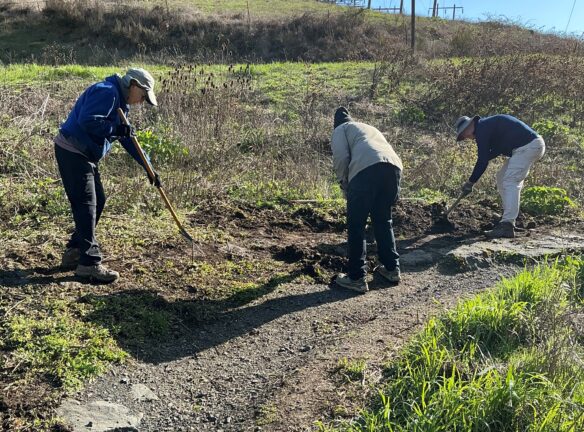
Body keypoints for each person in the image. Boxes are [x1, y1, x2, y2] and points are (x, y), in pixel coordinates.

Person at [54, 68, 161, 283]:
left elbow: (129, 140)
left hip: (84, 154)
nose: (141, 102)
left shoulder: (121, 103)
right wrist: (116, 129)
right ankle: (89, 264)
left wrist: (148, 168)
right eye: (142, 96)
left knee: (97, 201)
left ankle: (75, 250)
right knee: (87, 204)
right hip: (73, 151)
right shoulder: (107, 92)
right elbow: (89, 121)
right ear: (133, 85)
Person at [330, 107, 403, 294]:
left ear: (336, 123)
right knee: (383, 220)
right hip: (393, 169)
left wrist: (344, 183)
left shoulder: (341, 130)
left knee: (356, 225)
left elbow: (340, 158)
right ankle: (391, 268)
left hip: (366, 172)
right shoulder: (367, 128)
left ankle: (356, 278)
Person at [455, 114, 545, 239]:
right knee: (502, 178)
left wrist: (471, 182)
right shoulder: (487, 126)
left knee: (510, 180)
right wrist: (475, 175)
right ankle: (507, 218)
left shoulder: (482, 129)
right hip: (526, 147)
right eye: (464, 136)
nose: (467, 137)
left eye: (465, 133)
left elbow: (482, 161)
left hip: (528, 146)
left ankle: (507, 224)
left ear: (471, 125)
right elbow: (494, 151)